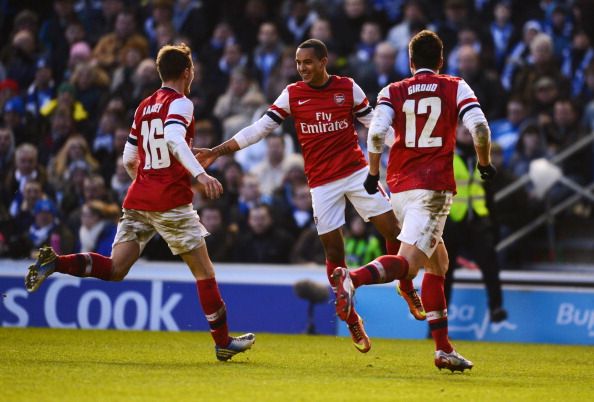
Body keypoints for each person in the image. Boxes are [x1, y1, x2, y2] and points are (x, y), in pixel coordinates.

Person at [24, 43, 255, 362]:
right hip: (170, 201)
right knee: (204, 273)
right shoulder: (181, 103)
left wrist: (145, 181)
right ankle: (222, 341)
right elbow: (174, 139)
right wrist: (200, 175)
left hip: (139, 198)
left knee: (116, 268)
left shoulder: (144, 105)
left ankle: (56, 262)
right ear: (187, 72)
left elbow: (129, 157)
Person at [196, 39, 421, 354]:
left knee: (394, 231)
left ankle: (406, 285)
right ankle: (351, 318)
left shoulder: (348, 88)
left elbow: (374, 124)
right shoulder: (292, 94)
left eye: (308, 63)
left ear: (324, 61)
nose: (302, 68)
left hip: (356, 173)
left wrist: (404, 150)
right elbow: (260, 128)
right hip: (321, 183)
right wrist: (217, 151)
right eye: (299, 63)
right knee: (334, 250)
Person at [337, 30, 496, 372]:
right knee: (409, 264)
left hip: (399, 187)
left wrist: (373, 171)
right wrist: (484, 164)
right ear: (441, 60)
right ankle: (352, 278)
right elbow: (479, 128)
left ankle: (443, 349)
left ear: (410, 62)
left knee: (438, 263)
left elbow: (377, 133)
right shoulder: (456, 85)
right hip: (433, 189)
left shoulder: (392, 91)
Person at [444, 125, 508, 323]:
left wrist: (494, 226)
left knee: (490, 265)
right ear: (453, 131)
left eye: (468, 126)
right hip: (451, 221)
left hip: (477, 222)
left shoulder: (482, 157)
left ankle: (496, 308)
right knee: (444, 275)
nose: (465, 129)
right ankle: (438, 323)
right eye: (461, 125)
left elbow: (489, 195)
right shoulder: (445, 156)